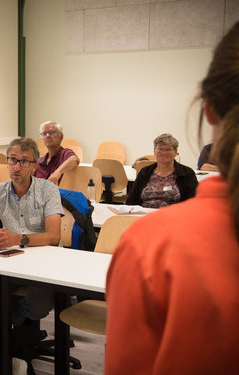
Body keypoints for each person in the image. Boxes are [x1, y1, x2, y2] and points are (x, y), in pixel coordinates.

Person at [105, 22, 239, 374]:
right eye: (158, 148)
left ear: (208, 109)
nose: (162, 152)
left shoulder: (151, 246)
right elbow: (131, 200)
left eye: (167, 148)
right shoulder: (146, 177)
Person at [0, 137, 63, 325]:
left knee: (36, 308)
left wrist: (16, 239)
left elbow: (53, 236)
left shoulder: (48, 190)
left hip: (45, 261)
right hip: (12, 260)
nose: (17, 167)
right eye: (12, 160)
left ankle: (18, 334)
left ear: (34, 166)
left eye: (24, 161)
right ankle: (20, 333)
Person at [126, 133, 198, 208]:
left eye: (168, 149)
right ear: (154, 151)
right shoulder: (144, 172)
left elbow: (193, 203)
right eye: (160, 149)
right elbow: (131, 201)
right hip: (144, 215)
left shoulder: (187, 173)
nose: (164, 153)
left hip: (174, 216)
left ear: (175, 152)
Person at [33, 121, 79, 185]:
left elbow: (74, 159)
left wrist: (57, 173)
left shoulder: (64, 153)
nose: (47, 135)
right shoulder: (40, 162)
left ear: (61, 137)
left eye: (51, 132)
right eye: (44, 133)